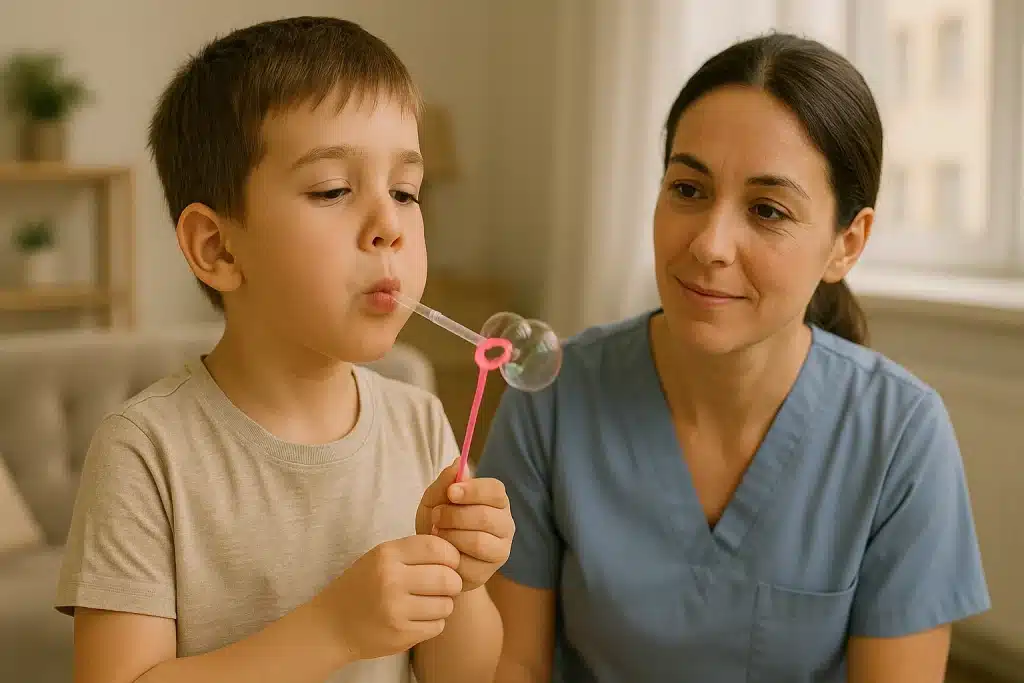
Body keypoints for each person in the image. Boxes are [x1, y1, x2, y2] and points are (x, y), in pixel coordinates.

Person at [477, 32, 990, 683]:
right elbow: (514, 664)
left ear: (847, 243)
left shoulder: (901, 437)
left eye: (767, 209)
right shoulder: (549, 398)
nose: (711, 244)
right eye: (688, 190)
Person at [54, 16, 514, 683]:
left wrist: (465, 581)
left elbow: (464, 673)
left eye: (406, 191)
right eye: (333, 189)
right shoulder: (144, 449)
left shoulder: (420, 423)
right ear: (218, 247)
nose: (390, 225)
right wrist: (333, 628)